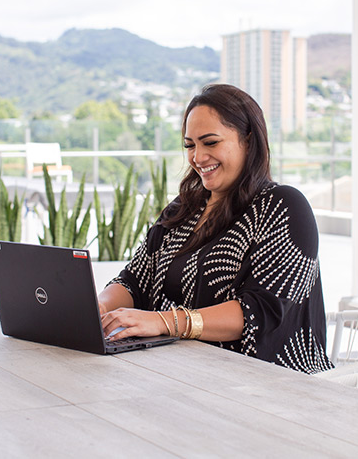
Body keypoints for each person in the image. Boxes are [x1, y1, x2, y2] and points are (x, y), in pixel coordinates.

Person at [98, 84, 333, 374]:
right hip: (185, 374)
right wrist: (99, 307)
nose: (197, 157)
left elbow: (261, 312)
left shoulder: (283, 206)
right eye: (189, 145)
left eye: (210, 142)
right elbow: (134, 280)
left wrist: (163, 321)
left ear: (248, 140)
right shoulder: (182, 209)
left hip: (272, 384)